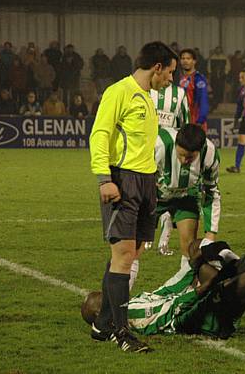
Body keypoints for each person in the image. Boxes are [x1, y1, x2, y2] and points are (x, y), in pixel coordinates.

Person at [89, 41, 177, 353]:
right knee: (124, 255)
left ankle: (102, 323)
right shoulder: (119, 92)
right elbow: (100, 133)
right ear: (157, 67)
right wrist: (104, 178)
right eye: (169, 73)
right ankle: (122, 333)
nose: (170, 79)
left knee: (132, 253)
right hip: (122, 180)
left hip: (146, 182)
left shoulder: (148, 97)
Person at [82, 239, 245, 343]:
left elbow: (166, 290)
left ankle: (239, 267)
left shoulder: (134, 301)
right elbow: (166, 316)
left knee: (201, 249)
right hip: (198, 318)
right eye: (102, 301)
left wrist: (190, 269)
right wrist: (199, 290)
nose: (109, 297)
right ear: (99, 316)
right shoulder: (130, 316)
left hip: (199, 305)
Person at [131, 124, 220, 279]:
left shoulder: (210, 153)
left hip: (186, 196)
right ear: (176, 145)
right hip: (155, 196)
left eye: (190, 157)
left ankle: (183, 296)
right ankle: (120, 298)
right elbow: (136, 176)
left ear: (199, 151)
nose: (185, 160)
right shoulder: (158, 144)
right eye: (181, 155)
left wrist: (210, 234)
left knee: (189, 247)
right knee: (132, 248)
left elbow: (212, 191)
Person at [149, 83, 192, 257]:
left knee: (167, 189)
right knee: (149, 190)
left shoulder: (180, 93)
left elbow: (185, 123)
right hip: (147, 147)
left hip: (170, 149)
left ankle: (162, 239)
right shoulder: (145, 89)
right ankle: (149, 233)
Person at [179, 49, 210, 131]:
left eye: (188, 59)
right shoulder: (181, 78)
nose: (185, 61)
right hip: (183, 121)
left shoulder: (198, 78)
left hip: (195, 121)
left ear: (194, 61)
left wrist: (200, 121)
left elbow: (203, 100)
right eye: (183, 58)